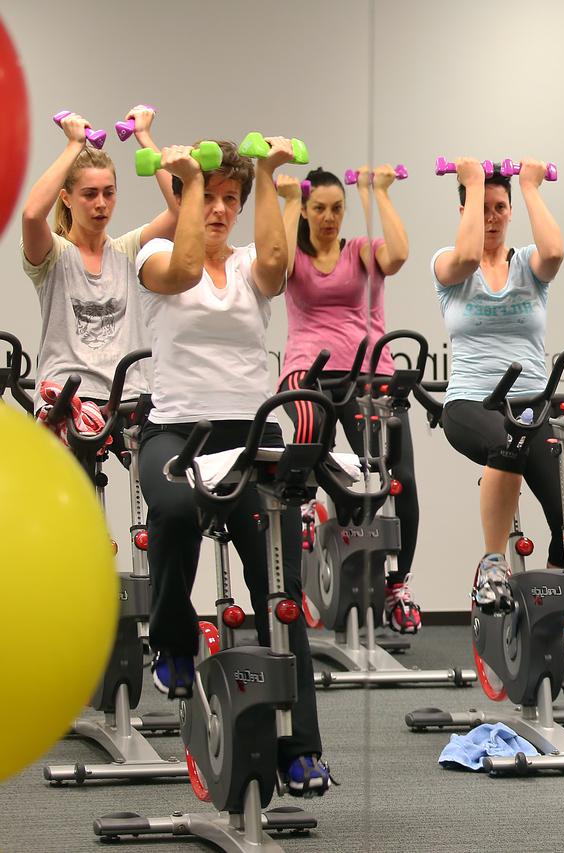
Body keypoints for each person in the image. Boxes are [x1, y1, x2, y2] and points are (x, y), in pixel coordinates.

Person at [135, 137, 331, 795]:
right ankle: (173, 639)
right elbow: (187, 267)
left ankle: (300, 749)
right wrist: (188, 180)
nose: (218, 210)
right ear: (188, 196)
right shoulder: (156, 255)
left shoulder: (251, 264)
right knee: (170, 507)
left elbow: (277, 265)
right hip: (176, 432)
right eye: (208, 197)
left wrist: (273, 175)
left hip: (247, 436)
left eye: (229, 199)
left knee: (281, 591)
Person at [431, 157, 564, 689]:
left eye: (502, 208)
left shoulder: (528, 265)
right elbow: (471, 251)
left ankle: (557, 624)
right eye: (483, 208)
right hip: (472, 404)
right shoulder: (449, 265)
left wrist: (529, 186)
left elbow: (558, 251)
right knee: (507, 446)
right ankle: (493, 564)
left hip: (529, 402)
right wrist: (475, 182)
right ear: (465, 210)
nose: (494, 217)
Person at [275, 166, 418, 632]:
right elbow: (272, 266)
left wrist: (376, 194)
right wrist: (289, 198)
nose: (330, 217)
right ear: (307, 210)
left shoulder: (359, 251)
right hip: (309, 369)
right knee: (310, 430)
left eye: (337, 208)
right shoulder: (293, 255)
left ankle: (398, 584)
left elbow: (398, 254)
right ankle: (304, 519)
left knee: (397, 476)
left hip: (368, 371)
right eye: (319, 208)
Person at [20, 105, 176, 408]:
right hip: (65, 395)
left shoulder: (128, 249)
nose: (101, 203)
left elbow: (183, 211)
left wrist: (144, 137)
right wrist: (73, 145)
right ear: (66, 198)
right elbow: (30, 215)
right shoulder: (55, 254)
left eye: (109, 192)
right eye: (89, 194)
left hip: (127, 395)